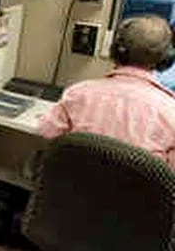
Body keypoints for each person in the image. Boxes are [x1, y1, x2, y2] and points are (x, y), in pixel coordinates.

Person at [38, 14, 175, 169]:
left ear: (115, 51)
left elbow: (47, 131)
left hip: (75, 181)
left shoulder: (78, 93)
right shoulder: (170, 110)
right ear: (165, 60)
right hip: (132, 186)